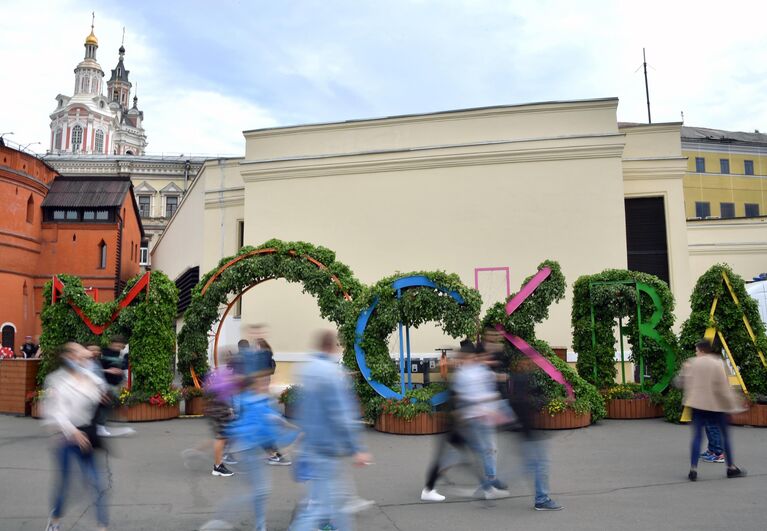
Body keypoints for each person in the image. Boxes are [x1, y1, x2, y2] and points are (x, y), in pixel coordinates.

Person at [290, 330, 372, 531]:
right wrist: (356, 449)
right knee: (323, 508)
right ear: (332, 347)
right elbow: (342, 415)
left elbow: (304, 408)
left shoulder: (307, 370)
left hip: (312, 445)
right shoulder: (332, 374)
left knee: (328, 506)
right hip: (328, 448)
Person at [42, 342, 109, 531]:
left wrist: (101, 394)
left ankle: (102, 526)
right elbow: (56, 412)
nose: (84, 359)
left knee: (96, 482)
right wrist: (73, 432)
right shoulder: (56, 381)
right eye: (79, 355)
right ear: (68, 357)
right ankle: (55, 520)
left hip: (86, 436)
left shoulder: (89, 378)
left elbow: (101, 390)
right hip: (65, 440)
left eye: (85, 357)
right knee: (65, 485)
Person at [678, 340, 747, 481]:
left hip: (696, 405)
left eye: (697, 350)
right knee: (725, 436)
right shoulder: (717, 363)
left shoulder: (691, 363)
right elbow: (723, 388)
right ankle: (731, 468)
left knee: (697, 437)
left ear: (702, 350)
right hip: (716, 406)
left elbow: (681, 382)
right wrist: (733, 405)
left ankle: (693, 469)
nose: (695, 353)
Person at [507, 355, 564, 511]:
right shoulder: (520, 380)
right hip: (528, 431)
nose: (533, 364)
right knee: (540, 464)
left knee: (530, 465)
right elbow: (524, 403)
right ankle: (541, 499)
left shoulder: (519, 379)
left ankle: (492, 484)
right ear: (522, 363)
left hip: (527, 430)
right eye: (529, 362)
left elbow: (530, 400)